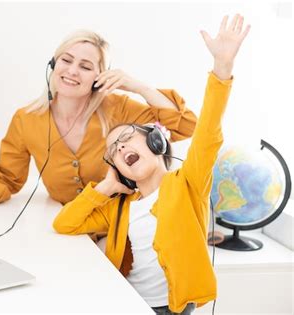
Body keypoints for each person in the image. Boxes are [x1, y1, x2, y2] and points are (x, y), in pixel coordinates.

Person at [53, 15, 250, 314]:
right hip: (126, 302)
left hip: (169, 309)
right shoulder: (121, 206)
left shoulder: (186, 184)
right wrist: (106, 186)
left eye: (128, 138)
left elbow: (208, 129)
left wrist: (222, 68)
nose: (120, 147)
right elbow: (64, 224)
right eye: (114, 150)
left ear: (157, 143)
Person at [0, 29, 198, 214]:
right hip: (67, 225)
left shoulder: (119, 109)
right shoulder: (26, 119)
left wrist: (137, 86)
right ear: (53, 64)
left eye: (85, 66)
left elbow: (182, 127)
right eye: (66, 60)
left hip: (122, 226)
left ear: (99, 76)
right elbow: (6, 176)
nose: (72, 71)